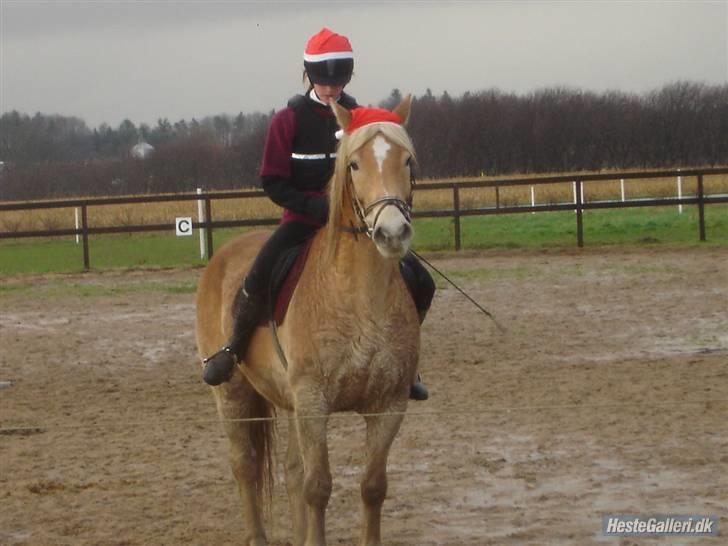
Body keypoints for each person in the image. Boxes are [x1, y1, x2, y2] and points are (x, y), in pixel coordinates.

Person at [202, 28, 434, 400]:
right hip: (303, 221)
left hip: (359, 226)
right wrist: (317, 208)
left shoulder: (359, 119)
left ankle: (406, 365)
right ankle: (234, 348)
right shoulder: (287, 121)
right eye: (324, 81)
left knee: (422, 281)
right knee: (259, 275)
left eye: (338, 81)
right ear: (309, 76)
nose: (331, 89)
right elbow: (273, 182)